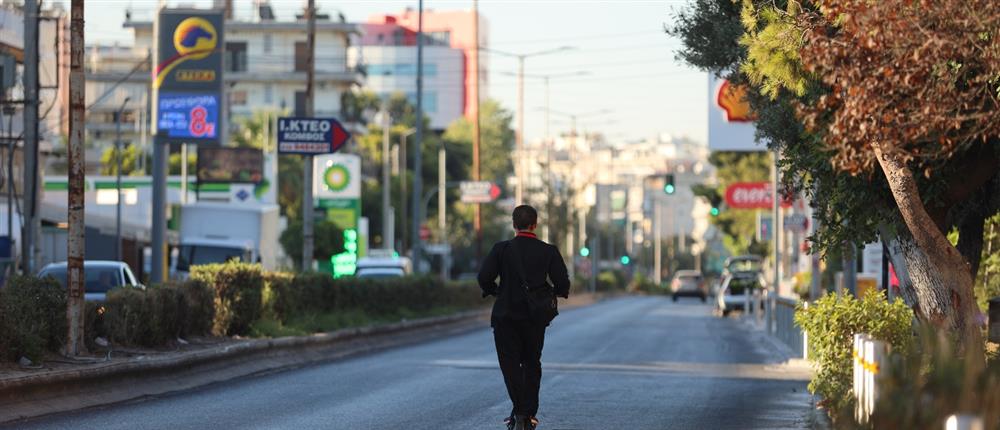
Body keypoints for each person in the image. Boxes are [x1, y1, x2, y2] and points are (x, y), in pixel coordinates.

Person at [478, 205, 571, 430]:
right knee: (531, 363)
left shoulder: (501, 249)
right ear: (535, 224)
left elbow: (484, 277)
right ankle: (527, 413)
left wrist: (496, 290)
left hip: (505, 317)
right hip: (534, 318)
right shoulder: (548, 251)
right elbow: (563, 284)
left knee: (510, 365)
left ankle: (520, 412)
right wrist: (550, 292)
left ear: (513, 225)